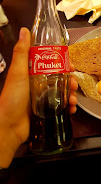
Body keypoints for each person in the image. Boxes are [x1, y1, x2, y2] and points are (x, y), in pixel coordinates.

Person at [0, 27, 78, 169]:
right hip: (37, 130)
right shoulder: (41, 28)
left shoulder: (55, 28)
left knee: (65, 85)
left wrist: (8, 131)